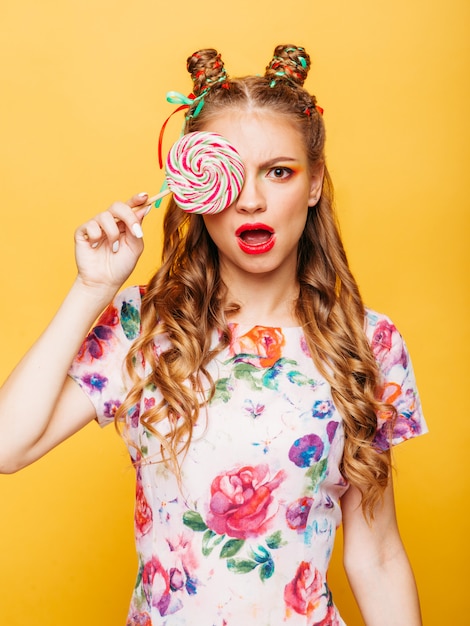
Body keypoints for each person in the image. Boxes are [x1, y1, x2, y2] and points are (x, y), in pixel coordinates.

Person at [0, 45, 427, 625]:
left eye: (279, 172)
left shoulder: (369, 344)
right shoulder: (143, 327)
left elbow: (377, 557)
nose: (252, 198)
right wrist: (91, 288)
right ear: (194, 187)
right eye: (234, 173)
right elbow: (7, 446)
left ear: (315, 183)